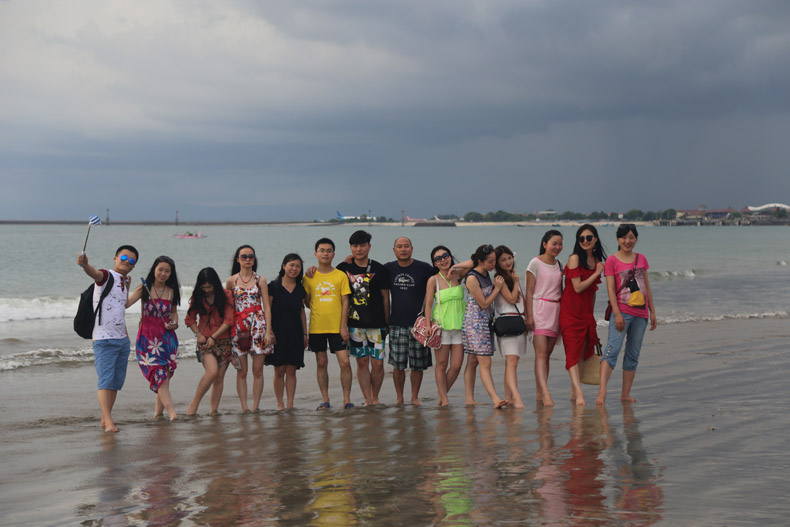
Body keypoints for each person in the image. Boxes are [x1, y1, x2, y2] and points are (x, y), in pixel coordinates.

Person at [77, 245, 139, 433]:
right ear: (115, 258)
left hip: (122, 339)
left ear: (133, 266)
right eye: (124, 258)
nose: (127, 262)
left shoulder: (124, 281)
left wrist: (137, 290)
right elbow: (94, 274)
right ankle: (108, 422)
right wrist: (85, 265)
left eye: (131, 261)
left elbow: (122, 306)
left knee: (115, 383)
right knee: (105, 381)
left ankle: (106, 418)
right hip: (104, 339)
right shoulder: (106, 276)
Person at [596, 224, 657, 405]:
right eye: (623, 237)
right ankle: (602, 391)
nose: (627, 241)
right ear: (618, 239)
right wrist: (617, 313)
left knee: (633, 354)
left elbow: (647, 286)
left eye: (631, 237)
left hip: (641, 314)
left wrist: (652, 312)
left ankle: (625, 394)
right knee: (612, 350)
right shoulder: (611, 261)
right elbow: (610, 289)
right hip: (622, 312)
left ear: (636, 239)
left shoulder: (641, 259)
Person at [336, 230, 390, 405]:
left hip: (377, 324)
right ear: (350, 248)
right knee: (362, 362)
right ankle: (368, 399)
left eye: (362, 245)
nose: (358, 249)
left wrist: (387, 322)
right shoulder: (343, 268)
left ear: (369, 246)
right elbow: (329, 279)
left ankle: (375, 396)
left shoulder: (379, 269)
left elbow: (385, 297)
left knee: (378, 363)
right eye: (355, 246)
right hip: (354, 324)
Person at [126, 255, 181, 421]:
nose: (163, 274)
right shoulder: (144, 288)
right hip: (147, 340)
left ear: (171, 273)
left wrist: (174, 324)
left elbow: (173, 312)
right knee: (160, 377)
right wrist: (126, 287)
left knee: (164, 379)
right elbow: (126, 304)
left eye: (167, 271)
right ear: (154, 270)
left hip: (167, 340)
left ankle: (158, 415)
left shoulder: (172, 291)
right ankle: (173, 414)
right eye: (160, 270)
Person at [303, 238, 354, 409]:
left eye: (329, 251)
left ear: (333, 254)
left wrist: (343, 326)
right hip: (317, 327)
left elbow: (345, 301)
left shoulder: (340, 275)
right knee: (321, 362)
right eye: (322, 250)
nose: (325, 254)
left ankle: (347, 400)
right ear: (316, 254)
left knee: (345, 362)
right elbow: (307, 302)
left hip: (337, 327)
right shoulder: (309, 276)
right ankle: (325, 399)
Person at [384, 236, 435, 405]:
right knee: (398, 365)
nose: (403, 249)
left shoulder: (424, 268)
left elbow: (444, 274)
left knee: (417, 365)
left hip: (419, 325)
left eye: (406, 246)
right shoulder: (388, 268)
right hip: (396, 323)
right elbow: (368, 273)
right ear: (394, 250)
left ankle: (414, 397)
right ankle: (399, 398)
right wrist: (349, 261)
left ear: (412, 249)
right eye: (399, 246)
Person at [456, 244, 508, 408]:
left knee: (473, 361)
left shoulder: (485, 273)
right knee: (485, 363)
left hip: (485, 322)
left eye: (494, 261)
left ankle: (469, 399)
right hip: (475, 323)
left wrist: (455, 266)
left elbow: (471, 261)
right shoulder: (472, 277)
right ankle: (495, 399)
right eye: (490, 261)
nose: (493, 264)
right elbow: (484, 304)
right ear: (480, 261)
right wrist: (497, 288)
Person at [560, 225, 606, 407]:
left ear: (595, 239)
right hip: (570, 312)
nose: (585, 241)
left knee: (581, 353)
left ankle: (574, 391)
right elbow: (578, 287)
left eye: (589, 238)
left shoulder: (596, 261)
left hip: (586, 313)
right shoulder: (574, 259)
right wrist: (597, 273)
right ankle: (579, 393)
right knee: (572, 352)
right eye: (582, 238)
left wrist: (591, 315)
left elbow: (592, 291)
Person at [226, 245, 274, 413]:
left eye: (251, 256)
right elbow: (228, 307)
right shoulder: (231, 281)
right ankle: (244, 407)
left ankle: (255, 407)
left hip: (258, 325)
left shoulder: (261, 280)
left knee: (257, 370)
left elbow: (267, 307)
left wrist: (268, 331)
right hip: (239, 327)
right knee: (242, 371)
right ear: (237, 259)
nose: (247, 259)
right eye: (244, 256)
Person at [184, 267, 235, 415]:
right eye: (204, 287)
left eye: (209, 287)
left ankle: (214, 411)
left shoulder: (226, 296)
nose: (206, 290)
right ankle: (194, 405)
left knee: (219, 377)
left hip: (224, 341)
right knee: (212, 372)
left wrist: (215, 337)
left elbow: (229, 320)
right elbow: (190, 319)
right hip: (205, 341)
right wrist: (198, 334)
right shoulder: (197, 296)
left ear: (215, 285)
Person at [526, 230, 564, 407]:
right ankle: (546, 393)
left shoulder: (560, 264)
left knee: (546, 356)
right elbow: (529, 292)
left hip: (555, 311)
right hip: (539, 310)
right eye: (554, 243)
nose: (557, 247)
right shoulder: (535, 263)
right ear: (545, 244)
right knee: (540, 354)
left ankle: (539, 393)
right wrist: (529, 316)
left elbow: (561, 291)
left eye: (560, 244)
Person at [424, 245, 466, 406]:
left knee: (456, 366)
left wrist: (455, 267)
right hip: (441, 327)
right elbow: (428, 304)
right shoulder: (433, 280)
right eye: (438, 258)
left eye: (446, 256)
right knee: (441, 365)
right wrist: (428, 324)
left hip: (459, 326)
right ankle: (445, 399)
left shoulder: (458, 274)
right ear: (434, 263)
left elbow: (475, 262)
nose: (443, 260)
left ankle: (441, 395)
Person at [267, 253, 308, 410]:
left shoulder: (300, 288)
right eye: (291, 265)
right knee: (279, 370)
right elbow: (267, 311)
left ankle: (290, 404)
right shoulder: (273, 286)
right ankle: (280, 404)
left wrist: (305, 334)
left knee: (291, 370)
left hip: (295, 332)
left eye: (298, 266)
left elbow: (302, 312)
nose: (294, 269)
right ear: (284, 266)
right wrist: (269, 331)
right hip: (278, 332)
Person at [493, 245, 527, 408]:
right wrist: (516, 282)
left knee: (512, 363)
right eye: (503, 260)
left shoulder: (512, 276)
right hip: (507, 323)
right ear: (497, 263)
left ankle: (508, 398)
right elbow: (512, 299)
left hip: (518, 322)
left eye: (509, 258)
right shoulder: (499, 279)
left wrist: (528, 319)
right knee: (511, 361)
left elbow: (522, 301)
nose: (508, 262)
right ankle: (517, 397)